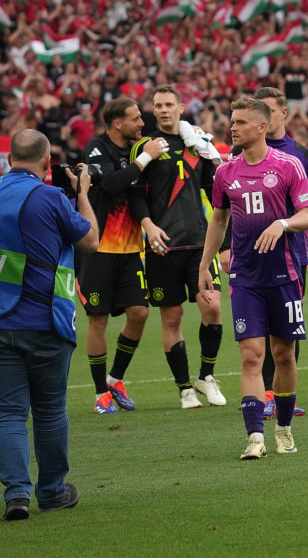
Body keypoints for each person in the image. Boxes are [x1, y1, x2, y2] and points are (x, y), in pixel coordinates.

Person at [199, 97, 308, 460]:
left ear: (262, 127)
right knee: (251, 356)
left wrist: (282, 223)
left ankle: (283, 429)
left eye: (241, 122)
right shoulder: (224, 172)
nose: (232, 128)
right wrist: (204, 265)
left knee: (283, 354)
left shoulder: (288, 165)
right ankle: (255, 437)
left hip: (285, 276)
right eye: (232, 121)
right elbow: (218, 221)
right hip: (245, 278)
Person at [0, 130, 98, 521]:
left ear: (9, 159)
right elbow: (90, 239)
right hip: (47, 320)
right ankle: (53, 491)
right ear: (46, 164)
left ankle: (16, 495)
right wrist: (83, 194)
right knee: (50, 409)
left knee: (8, 412)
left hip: (2, 320)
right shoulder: (50, 195)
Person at [242, 87, 308, 419]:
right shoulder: (240, 152)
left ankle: (282, 393)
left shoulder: (303, 155)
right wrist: (229, 247)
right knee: (259, 330)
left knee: (287, 329)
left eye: (269, 110)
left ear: (283, 113)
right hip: (251, 256)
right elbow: (228, 209)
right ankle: (266, 393)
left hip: (292, 254)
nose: (264, 117)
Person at [130, 85, 226, 409]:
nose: (163, 110)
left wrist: (225, 240)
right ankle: (185, 388)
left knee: (212, 308)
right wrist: (148, 225)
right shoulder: (145, 147)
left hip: (200, 243)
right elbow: (136, 194)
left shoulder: (197, 144)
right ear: (153, 110)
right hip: (162, 246)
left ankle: (207, 376)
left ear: (181, 107)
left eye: (169, 104)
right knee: (172, 319)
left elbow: (216, 193)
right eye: (158, 105)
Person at [79, 98, 167, 414]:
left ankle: (115, 378)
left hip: (130, 248)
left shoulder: (134, 150)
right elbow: (114, 183)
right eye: (135, 119)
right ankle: (100, 393)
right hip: (98, 248)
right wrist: (144, 158)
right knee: (98, 319)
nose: (141, 124)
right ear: (117, 123)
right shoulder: (96, 148)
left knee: (139, 313)